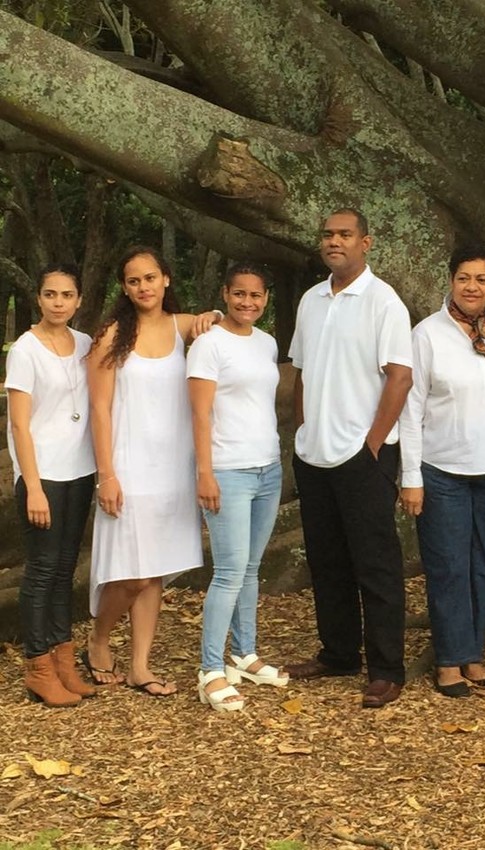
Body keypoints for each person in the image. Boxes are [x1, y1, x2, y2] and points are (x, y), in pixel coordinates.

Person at [286, 208, 413, 709]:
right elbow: (300, 372)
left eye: (345, 234)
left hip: (363, 455)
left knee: (376, 564)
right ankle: (338, 652)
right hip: (314, 453)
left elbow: (399, 377)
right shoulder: (312, 300)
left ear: (367, 241)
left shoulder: (384, 302)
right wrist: (302, 431)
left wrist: (374, 445)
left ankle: (387, 669)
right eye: (328, 234)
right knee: (327, 559)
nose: (334, 241)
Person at [84, 246, 219, 696]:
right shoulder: (112, 335)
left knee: (155, 571)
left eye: (150, 278)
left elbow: (220, 320)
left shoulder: (183, 328)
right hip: (127, 467)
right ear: (125, 288)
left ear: (165, 280)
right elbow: (99, 410)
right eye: (133, 281)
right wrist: (107, 473)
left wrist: (213, 313)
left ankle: (141, 666)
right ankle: (99, 637)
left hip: (173, 471)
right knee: (132, 573)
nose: (143, 287)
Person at [399, 245, 485, 698]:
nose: (472, 287)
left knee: (484, 565)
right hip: (442, 468)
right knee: (448, 566)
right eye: (464, 278)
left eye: (482, 279)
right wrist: (411, 476)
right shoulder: (427, 334)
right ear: (450, 280)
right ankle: (448, 660)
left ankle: (473, 656)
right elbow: (411, 409)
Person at [187, 264, 285, 712]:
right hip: (227, 471)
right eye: (239, 294)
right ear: (225, 294)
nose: (248, 303)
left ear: (266, 298)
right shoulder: (208, 345)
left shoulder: (266, 343)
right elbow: (201, 415)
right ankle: (210, 669)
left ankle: (244, 653)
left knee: (250, 568)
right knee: (228, 573)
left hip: (267, 468)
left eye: (256, 295)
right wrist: (205, 473)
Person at [7, 265, 97, 707]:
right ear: (38, 299)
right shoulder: (25, 350)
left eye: (66, 295)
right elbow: (19, 425)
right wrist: (34, 486)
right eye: (49, 294)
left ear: (78, 300)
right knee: (42, 571)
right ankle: (38, 665)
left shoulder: (84, 344)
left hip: (80, 472)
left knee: (64, 569)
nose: (58, 302)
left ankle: (64, 659)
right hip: (43, 475)